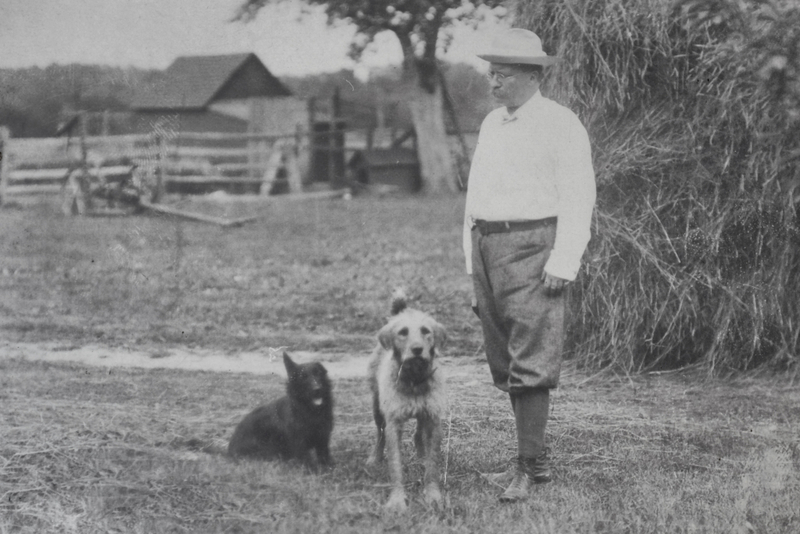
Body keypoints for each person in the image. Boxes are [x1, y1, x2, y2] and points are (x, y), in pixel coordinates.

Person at [463, 28, 596, 502]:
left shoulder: (561, 123)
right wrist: (471, 261)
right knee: (505, 358)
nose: (493, 84)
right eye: (491, 74)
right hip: (488, 246)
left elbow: (579, 196)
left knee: (531, 357)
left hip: (534, 246)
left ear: (531, 75)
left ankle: (531, 464)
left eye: (501, 75)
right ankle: (527, 459)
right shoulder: (491, 124)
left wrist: (564, 259)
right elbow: (474, 199)